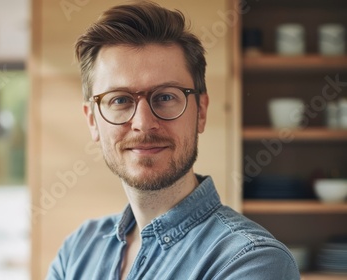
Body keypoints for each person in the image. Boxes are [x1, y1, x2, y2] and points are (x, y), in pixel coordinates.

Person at [47, 1, 300, 279]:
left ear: (201, 112)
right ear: (93, 120)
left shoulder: (252, 260)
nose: (143, 123)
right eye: (119, 100)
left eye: (166, 96)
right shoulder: (77, 252)